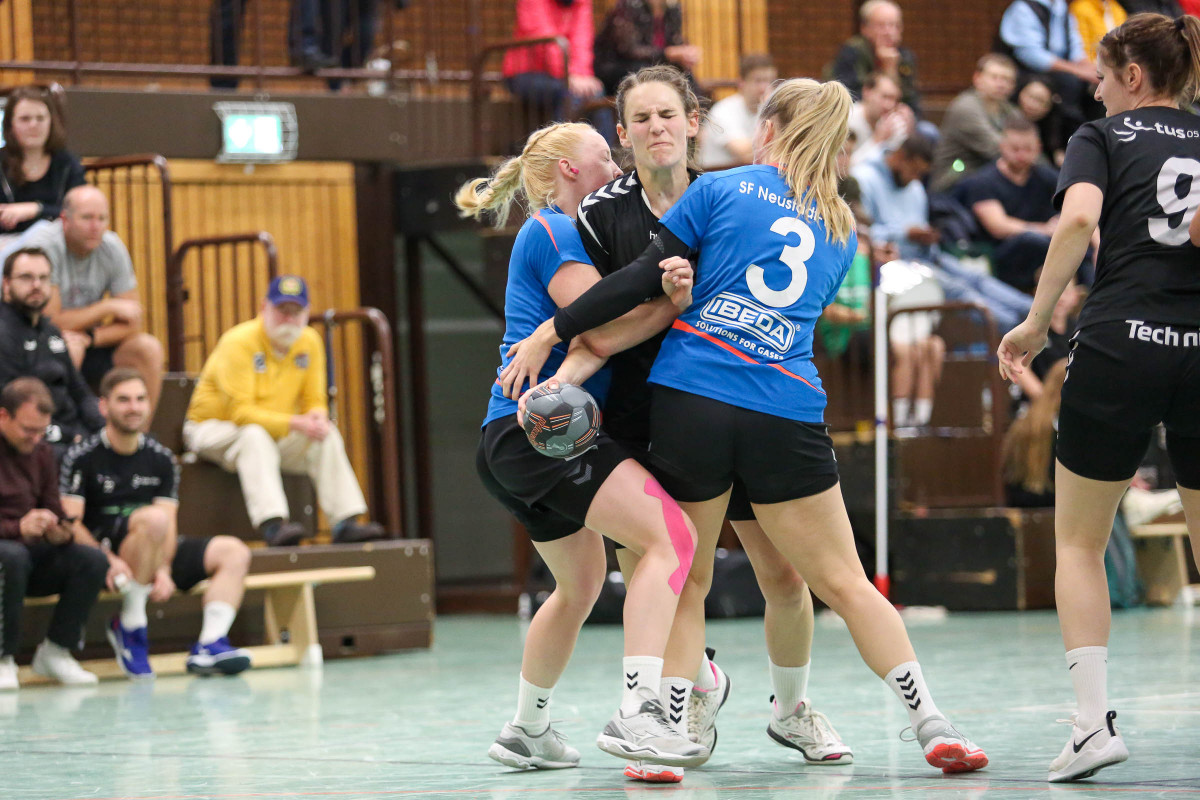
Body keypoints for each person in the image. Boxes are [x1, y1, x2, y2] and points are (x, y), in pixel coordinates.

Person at [514, 77, 989, 775]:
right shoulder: (841, 227)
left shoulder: (720, 188)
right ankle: (931, 721)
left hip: (694, 398)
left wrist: (554, 332)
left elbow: (643, 279)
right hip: (783, 407)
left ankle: (676, 722)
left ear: (766, 130)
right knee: (845, 582)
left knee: (689, 574)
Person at [561, 65, 851, 781]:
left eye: (669, 114)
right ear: (623, 135)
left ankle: (792, 708)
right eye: (641, 118)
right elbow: (594, 311)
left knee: (783, 573)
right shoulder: (598, 214)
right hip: (645, 408)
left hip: (731, 400)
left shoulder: (729, 191)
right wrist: (559, 349)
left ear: (693, 123)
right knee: (660, 567)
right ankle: (674, 709)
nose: (656, 127)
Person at [454, 120, 707, 772]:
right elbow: (600, 320)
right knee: (673, 539)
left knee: (582, 583)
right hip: (540, 432)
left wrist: (667, 303)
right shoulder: (552, 230)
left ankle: (527, 729)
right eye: (603, 154)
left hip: (515, 439)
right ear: (569, 168)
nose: (616, 166)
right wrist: (675, 299)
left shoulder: (569, 235)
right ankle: (640, 714)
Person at [997, 12, 1200, 783]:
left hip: (1121, 343)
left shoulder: (1101, 135)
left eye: (1104, 77)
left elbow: (1079, 217)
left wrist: (1035, 322)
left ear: (1133, 77)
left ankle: (1093, 726)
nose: (1098, 91)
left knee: (1080, 542)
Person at [61, 367, 253, 680]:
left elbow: (169, 521)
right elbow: (71, 523)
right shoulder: (82, 456)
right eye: (123, 400)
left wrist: (163, 568)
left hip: (156, 544)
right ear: (104, 406)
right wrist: (105, 559)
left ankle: (210, 646)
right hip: (108, 557)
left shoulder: (161, 458)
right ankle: (131, 624)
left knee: (234, 551)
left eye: (140, 399)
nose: (134, 407)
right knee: (153, 519)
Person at [183, 275, 385, 547]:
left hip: (272, 432)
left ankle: (344, 523)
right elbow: (241, 414)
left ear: (306, 312)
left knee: (325, 435)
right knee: (253, 436)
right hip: (211, 429)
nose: (289, 319)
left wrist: (317, 417)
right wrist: (298, 423)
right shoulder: (238, 342)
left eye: (296, 311)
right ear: (263, 307)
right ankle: (273, 526)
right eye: (282, 310)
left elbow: (314, 398)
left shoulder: (310, 341)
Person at [852, 135, 1035, 336]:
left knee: (976, 277)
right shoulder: (863, 179)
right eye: (914, 171)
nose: (916, 178)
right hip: (896, 263)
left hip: (927, 254)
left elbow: (919, 223)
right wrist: (904, 233)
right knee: (959, 290)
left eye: (921, 174)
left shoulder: (915, 187)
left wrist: (927, 235)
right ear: (900, 157)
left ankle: (1034, 314)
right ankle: (1015, 331)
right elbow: (860, 235)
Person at [0, 377, 108, 690]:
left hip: (26, 555)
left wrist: (59, 530)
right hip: (9, 555)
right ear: (3, 416)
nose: (36, 439)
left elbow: (53, 506)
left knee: (91, 560)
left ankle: (57, 650)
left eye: (42, 431)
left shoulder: (42, 452)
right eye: (28, 430)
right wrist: (17, 528)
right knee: (12, 556)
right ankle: (4, 657)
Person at [26, 186, 164, 417]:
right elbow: (52, 321)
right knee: (68, 346)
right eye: (87, 218)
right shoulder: (45, 246)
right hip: (38, 340)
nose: (95, 226)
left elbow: (132, 322)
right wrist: (106, 307)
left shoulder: (112, 246)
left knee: (147, 348)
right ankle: (62, 429)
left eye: (102, 218)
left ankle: (138, 435)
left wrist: (90, 338)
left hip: (89, 339)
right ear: (65, 220)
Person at [961, 117, 1092, 293]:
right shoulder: (982, 181)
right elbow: (998, 226)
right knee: (1034, 240)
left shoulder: (1046, 176)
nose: (1021, 155)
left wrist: (1096, 242)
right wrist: (1044, 229)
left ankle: (1088, 293)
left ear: (1038, 147)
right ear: (1002, 146)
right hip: (1002, 253)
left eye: (1028, 149)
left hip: (1044, 249)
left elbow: (1079, 205)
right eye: (1015, 149)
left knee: (1079, 245)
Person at [0, 247, 104, 456]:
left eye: (43, 278)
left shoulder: (51, 331)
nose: (36, 285)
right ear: (6, 284)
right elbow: (11, 406)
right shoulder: (4, 333)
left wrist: (106, 428)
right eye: (26, 277)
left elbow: (79, 390)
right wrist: (70, 436)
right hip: (33, 439)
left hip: (71, 431)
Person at [0, 86, 86, 264]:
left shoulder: (67, 164)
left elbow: (80, 212)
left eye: (40, 118)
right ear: (10, 125)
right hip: (6, 248)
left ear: (50, 122)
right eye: (25, 119)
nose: (34, 125)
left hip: (57, 247)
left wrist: (36, 209)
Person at [503, 0, 610, 133]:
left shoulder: (581, 2)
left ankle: (605, 146)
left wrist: (582, 74)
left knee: (595, 93)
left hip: (564, 74)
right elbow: (544, 39)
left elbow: (582, 39)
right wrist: (569, 74)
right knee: (571, 95)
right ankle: (558, 145)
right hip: (525, 73)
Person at [996, 0, 1098, 134]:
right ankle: (1068, 137)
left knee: (1096, 83)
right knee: (1070, 83)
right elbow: (1032, 56)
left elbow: (1076, 46)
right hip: (1027, 73)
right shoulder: (1022, 8)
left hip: (1062, 70)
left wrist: (1092, 70)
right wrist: (1077, 71)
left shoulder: (1062, 7)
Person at [930, 54, 1019, 194]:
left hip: (987, 181)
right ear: (977, 78)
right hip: (954, 181)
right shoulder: (966, 107)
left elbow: (1027, 145)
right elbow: (1000, 149)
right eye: (994, 77)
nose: (1001, 84)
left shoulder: (1010, 111)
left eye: (1007, 80)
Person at [825, 0, 922, 116]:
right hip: (859, 115)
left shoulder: (905, 57)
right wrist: (885, 70)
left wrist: (891, 70)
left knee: (927, 127)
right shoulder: (852, 52)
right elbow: (849, 95)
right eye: (881, 25)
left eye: (894, 25)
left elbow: (912, 102)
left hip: (895, 117)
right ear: (865, 28)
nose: (889, 32)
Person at [593, 0, 702, 97]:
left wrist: (684, 52)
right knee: (649, 71)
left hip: (655, 63)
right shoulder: (629, 6)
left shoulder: (673, 8)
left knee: (683, 73)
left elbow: (674, 40)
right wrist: (667, 53)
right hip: (619, 68)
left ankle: (698, 108)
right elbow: (628, 50)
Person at [698, 54, 778, 170]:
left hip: (745, 175)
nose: (764, 88)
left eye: (769, 81)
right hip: (718, 175)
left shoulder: (765, 110)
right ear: (741, 83)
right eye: (758, 81)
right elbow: (744, 153)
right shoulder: (723, 111)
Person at [847, 73, 915, 168]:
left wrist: (909, 132)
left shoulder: (892, 123)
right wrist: (876, 140)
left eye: (895, 100)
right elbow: (847, 168)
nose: (890, 105)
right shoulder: (848, 119)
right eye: (885, 97)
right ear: (867, 92)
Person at [1016, 75, 1069, 167]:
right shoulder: (1007, 113)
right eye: (1030, 96)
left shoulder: (1053, 130)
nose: (1031, 104)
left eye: (1040, 101)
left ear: (1049, 106)